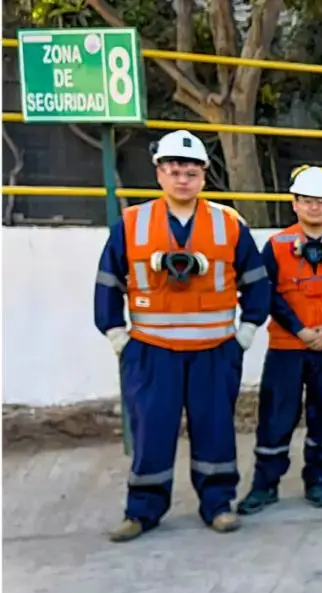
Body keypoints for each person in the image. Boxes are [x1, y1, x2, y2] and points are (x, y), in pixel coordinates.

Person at [93, 130, 270, 541]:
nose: (183, 180)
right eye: (174, 171)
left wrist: (244, 333)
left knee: (215, 430)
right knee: (152, 431)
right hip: (153, 353)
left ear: (204, 176)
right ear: (159, 173)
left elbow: (257, 283)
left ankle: (218, 504)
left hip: (213, 351)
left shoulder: (228, 224)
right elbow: (107, 283)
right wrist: (119, 337)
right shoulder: (133, 223)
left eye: (191, 172)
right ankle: (142, 511)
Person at [237, 166, 322, 515]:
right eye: (307, 200)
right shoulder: (276, 246)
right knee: (276, 418)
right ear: (294, 203)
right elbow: (268, 295)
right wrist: (300, 330)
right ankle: (265, 486)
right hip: (287, 349)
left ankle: (318, 482)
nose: (314, 208)